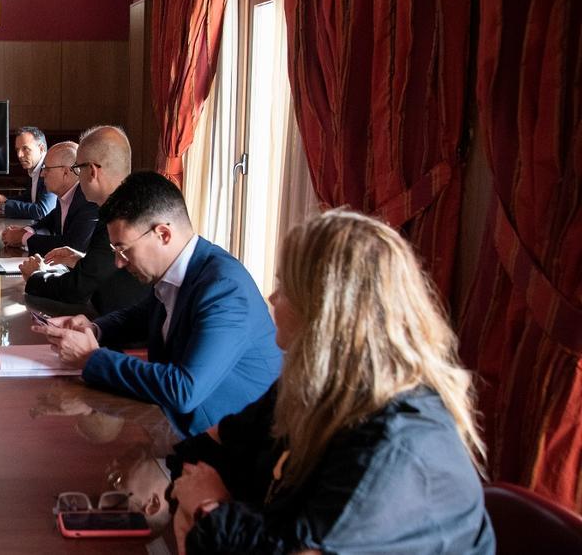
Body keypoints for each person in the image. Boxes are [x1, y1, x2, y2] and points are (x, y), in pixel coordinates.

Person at [168, 209, 494, 553]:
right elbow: (215, 446)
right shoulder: (313, 387)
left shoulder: (396, 443)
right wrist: (197, 496)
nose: (272, 297)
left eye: (284, 286)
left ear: (324, 311)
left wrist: (209, 508)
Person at [34, 171, 281, 437]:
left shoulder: (224, 289)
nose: (118, 263)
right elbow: (138, 317)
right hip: (176, 425)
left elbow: (183, 390)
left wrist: (91, 358)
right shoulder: (183, 268)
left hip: (232, 442)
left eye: (123, 249)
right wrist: (93, 329)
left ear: (163, 234)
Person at [21, 125, 149, 316]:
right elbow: (109, 269)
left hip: (125, 332)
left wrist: (36, 275)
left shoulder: (119, 214)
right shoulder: (130, 201)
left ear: (91, 171)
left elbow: (77, 290)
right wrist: (81, 259)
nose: (76, 176)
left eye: (77, 169)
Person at [0, 141, 98, 256]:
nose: (42, 174)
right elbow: (51, 220)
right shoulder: (66, 194)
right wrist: (26, 231)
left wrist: (23, 238)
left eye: (47, 168)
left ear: (66, 172)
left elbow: (72, 247)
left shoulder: (89, 199)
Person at [0, 126, 57, 219]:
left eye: (25, 149)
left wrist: (5, 204)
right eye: (17, 150)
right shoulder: (34, 167)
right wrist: (3, 200)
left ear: (41, 149)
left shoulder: (50, 168)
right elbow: (28, 198)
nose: (19, 155)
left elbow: (42, 211)